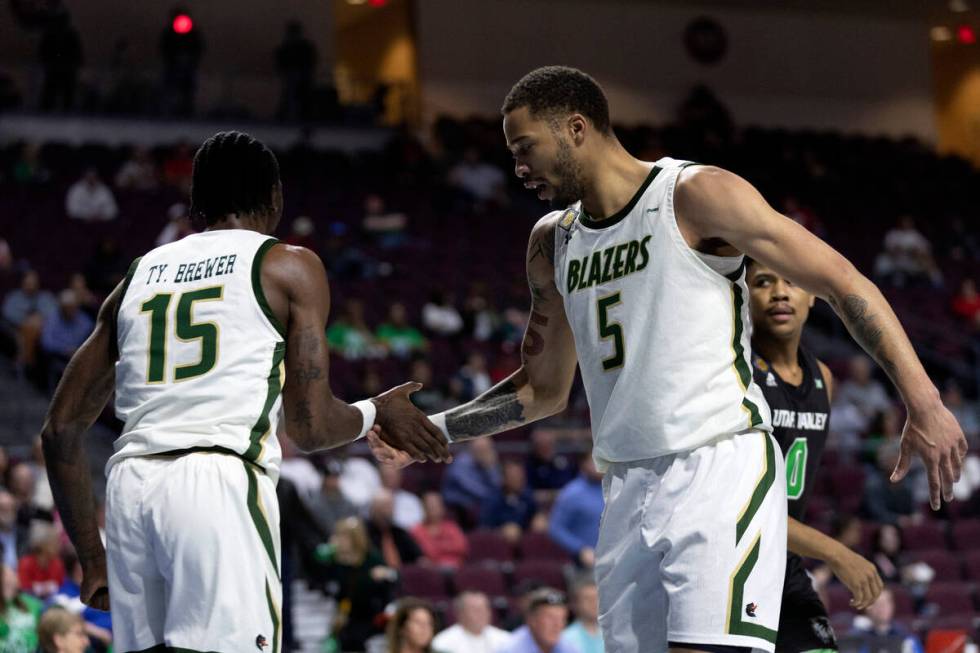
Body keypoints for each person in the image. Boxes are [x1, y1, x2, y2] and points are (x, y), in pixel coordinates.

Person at [370, 66, 966, 653]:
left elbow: (843, 282)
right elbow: (542, 390)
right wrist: (433, 427)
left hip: (716, 466)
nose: (519, 167)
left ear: (576, 128)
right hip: (626, 486)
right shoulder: (552, 240)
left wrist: (924, 399)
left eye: (526, 148)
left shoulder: (693, 194)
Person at [39, 130, 450, 653]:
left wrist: (92, 559)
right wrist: (376, 411)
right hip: (216, 479)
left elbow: (59, 430)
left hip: (130, 489)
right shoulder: (288, 264)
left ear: (197, 202)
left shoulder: (138, 275)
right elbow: (312, 427)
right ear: (274, 196)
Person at [747, 259, 883, 653]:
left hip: (785, 564)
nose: (779, 292)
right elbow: (746, 507)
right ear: (745, 297)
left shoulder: (823, 377)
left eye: (793, 280)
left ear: (811, 297)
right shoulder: (736, 374)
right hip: (735, 560)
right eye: (763, 282)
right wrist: (837, 553)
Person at [317, 517, 396, 651]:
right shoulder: (335, 560)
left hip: (370, 614)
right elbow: (325, 582)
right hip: (344, 614)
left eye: (344, 537)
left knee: (354, 638)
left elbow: (392, 578)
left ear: (355, 539)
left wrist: (384, 574)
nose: (340, 541)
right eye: (338, 536)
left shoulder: (371, 558)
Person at [548, 452, 603, 567]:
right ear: (583, 464)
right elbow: (555, 528)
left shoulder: (615, 489)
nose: (601, 465)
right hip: (585, 564)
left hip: (614, 561)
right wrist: (580, 549)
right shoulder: (572, 493)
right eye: (595, 460)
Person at [495, 588, 577, 653]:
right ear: (532, 620)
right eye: (550, 618)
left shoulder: (567, 646)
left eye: (562, 618)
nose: (557, 625)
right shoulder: (510, 650)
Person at [432, 591, 512, 653]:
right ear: (460, 613)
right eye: (475, 610)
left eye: (485, 608)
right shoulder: (443, 643)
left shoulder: (505, 639)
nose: (482, 613)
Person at [847, 588, 923, 653]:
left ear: (892, 606)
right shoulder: (856, 638)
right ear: (867, 607)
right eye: (877, 603)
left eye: (886, 602)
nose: (882, 607)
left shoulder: (907, 637)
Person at [410, 491, 468, 570]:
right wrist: (448, 546)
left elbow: (461, 547)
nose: (433, 508)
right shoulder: (417, 530)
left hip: (456, 569)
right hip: (431, 571)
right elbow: (429, 552)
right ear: (423, 508)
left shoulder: (452, 527)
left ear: (443, 508)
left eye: (436, 505)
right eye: (429, 505)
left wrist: (437, 547)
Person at [560, 578, 603, 653]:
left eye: (597, 598)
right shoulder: (566, 638)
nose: (594, 603)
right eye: (587, 599)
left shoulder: (614, 634)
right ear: (575, 604)